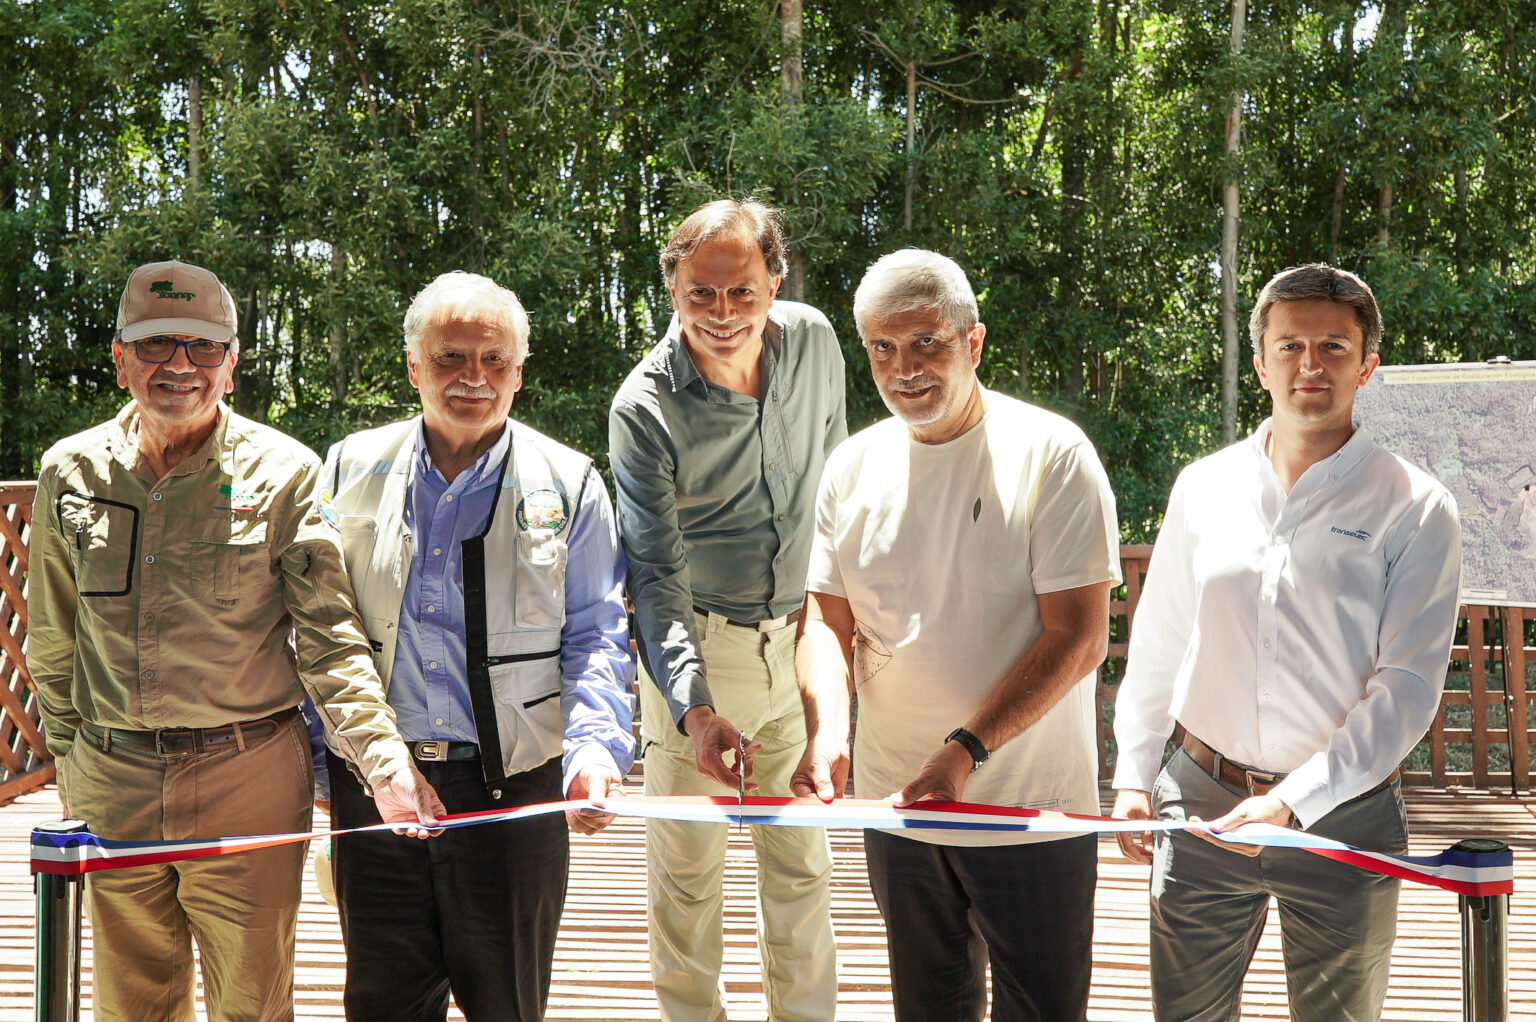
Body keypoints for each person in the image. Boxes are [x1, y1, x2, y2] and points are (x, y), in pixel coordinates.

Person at [27, 260, 442, 1021]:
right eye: (156, 345)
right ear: (119, 356)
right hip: (113, 783)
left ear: (233, 361)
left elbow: (330, 642)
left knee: (253, 1005)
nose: (179, 366)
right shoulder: (70, 472)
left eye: (203, 346)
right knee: (132, 1008)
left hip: (246, 781)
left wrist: (383, 762)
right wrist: (73, 760)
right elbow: (54, 641)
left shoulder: (285, 473)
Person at [1111, 263, 1462, 1020]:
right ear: (1261, 359)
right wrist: (1135, 775)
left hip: (1346, 812)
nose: (1311, 364)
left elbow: (1406, 688)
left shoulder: (1418, 507)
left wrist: (1291, 803)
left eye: (1334, 347)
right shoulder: (1203, 486)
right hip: (1199, 801)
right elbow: (1161, 638)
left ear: (1367, 367)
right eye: (1291, 345)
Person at [792, 249, 1121, 1022]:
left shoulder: (1054, 454)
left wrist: (964, 751)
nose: (904, 369)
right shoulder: (850, 466)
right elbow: (824, 621)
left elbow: (1079, 638)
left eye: (926, 344)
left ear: (973, 343)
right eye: (882, 348)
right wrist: (828, 732)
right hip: (898, 808)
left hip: (1028, 815)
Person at [320, 271, 635, 1021]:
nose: (473, 378)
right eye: (451, 357)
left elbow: (597, 633)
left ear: (519, 373)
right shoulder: (347, 468)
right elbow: (318, 627)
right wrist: (324, 759)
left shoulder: (570, 481)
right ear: (413, 367)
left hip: (513, 787)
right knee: (382, 1005)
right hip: (376, 786)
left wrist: (594, 753)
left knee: (508, 1005)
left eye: (494, 360)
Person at [609, 199, 844, 1022]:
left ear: (774, 281)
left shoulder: (815, 339)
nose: (722, 313)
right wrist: (694, 708)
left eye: (742, 291)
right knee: (686, 885)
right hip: (702, 657)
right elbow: (657, 576)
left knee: (803, 875)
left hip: (808, 645)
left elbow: (840, 493)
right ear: (672, 287)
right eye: (700, 293)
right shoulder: (642, 406)